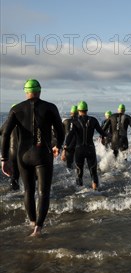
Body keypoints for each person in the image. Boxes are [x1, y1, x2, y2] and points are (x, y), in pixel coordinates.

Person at [1, 79, 65, 236]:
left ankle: (31, 222)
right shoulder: (50, 107)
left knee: (28, 191)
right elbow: (60, 131)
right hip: (43, 154)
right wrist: (58, 146)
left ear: (26, 91)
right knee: (43, 192)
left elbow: (5, 134)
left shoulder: (16, 109)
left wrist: (4, 159)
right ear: (40, 90)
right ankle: (38, 228)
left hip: (23, 156)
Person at [63, 101, 107, 189]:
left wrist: (65, 148)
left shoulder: (74, 121)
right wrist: (105, 136)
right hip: (90, 149)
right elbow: (102, 132)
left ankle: (81, 193)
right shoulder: (93, 120)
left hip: (79, 150)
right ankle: (96, 192)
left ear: (78, 110)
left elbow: (70, 136)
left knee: (79, 173)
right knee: (93, 172)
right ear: (87, 110)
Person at [0, 104, 21, 190]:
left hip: (13, 153)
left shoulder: (7, 123)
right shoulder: (27, 121)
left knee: (14, 175)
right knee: (31, 175)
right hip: (26, 152)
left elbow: (1, 132)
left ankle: (14, 192)